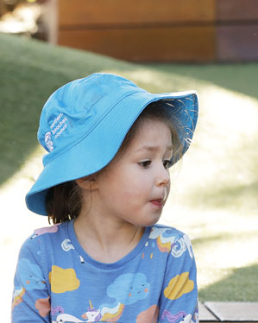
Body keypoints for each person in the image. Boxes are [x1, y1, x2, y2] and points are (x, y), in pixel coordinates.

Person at [12, 73, 200, 323]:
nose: (164, 176)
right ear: (88, 176)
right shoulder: (39, 252)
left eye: (165, 162)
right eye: (145, 162)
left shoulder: (172, 251)